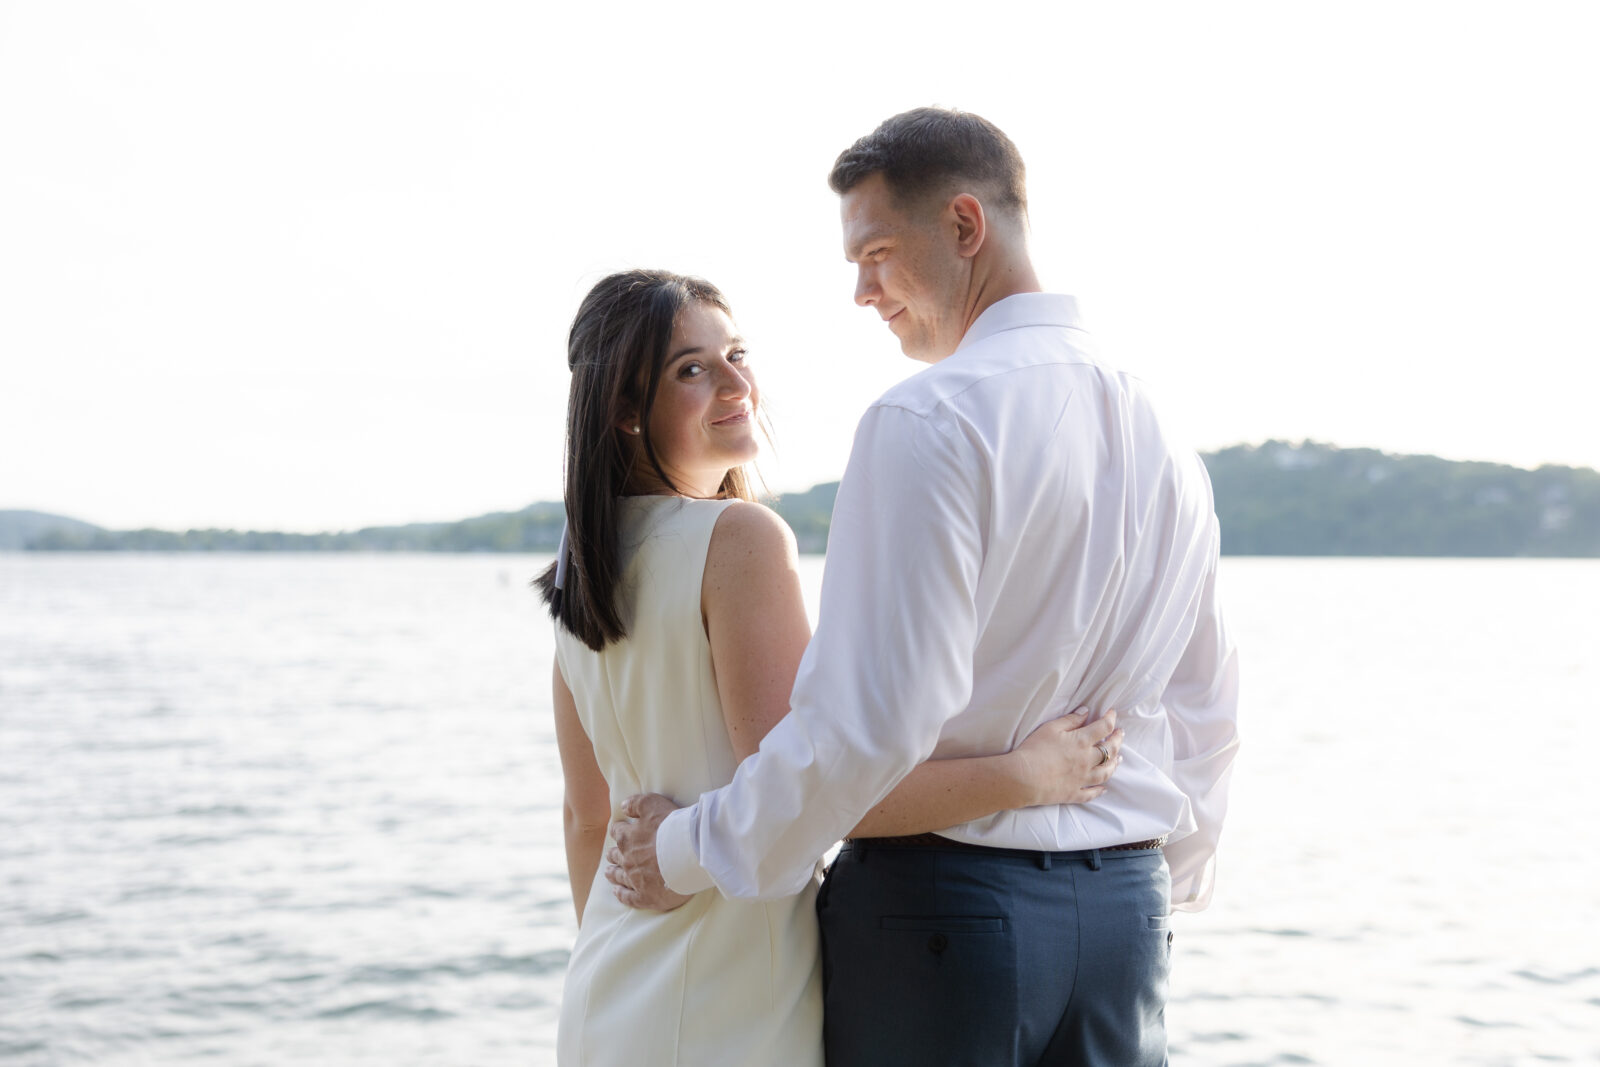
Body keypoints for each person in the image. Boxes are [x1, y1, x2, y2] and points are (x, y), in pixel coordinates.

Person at [608, 108, 1241, 1066]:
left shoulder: (928, 420)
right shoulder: (1163, 433)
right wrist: (1154, 885)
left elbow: (864, 731)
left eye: (876, 254)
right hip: (1126, 921)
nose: (862, 292)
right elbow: (1208, 703)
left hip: (945, 922)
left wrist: (682, 849)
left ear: (963, 226)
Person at [539, 268, 1127, 1067]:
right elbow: (815, 789)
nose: (736, 381)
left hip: (609, 983)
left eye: (735, 354)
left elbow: (587, 819)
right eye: (692, 368)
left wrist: (621, 948)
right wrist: (1028, 774)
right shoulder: (739, 540)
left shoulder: (583, 572)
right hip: (728, 998)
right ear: (620, 408)